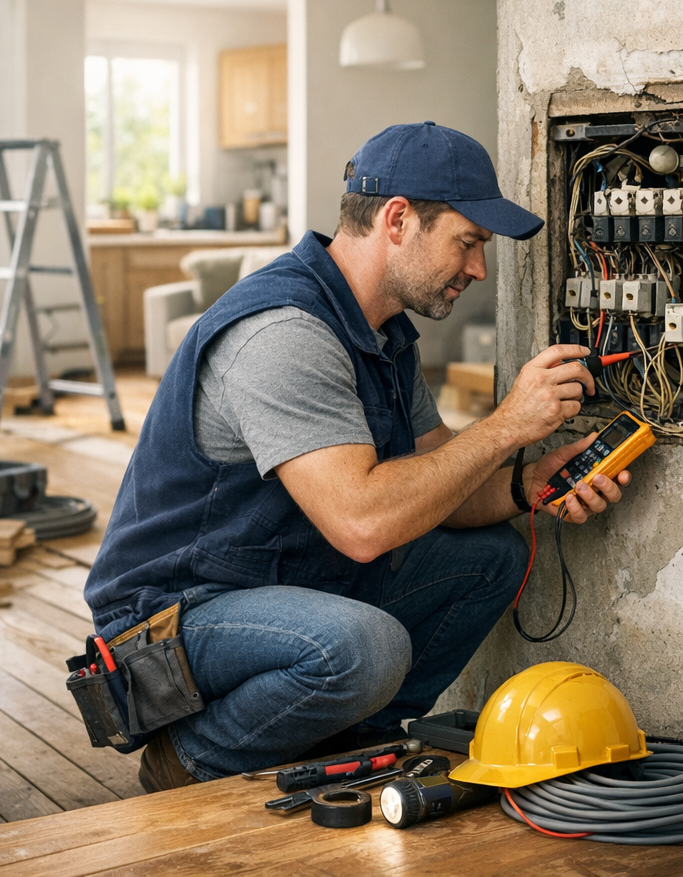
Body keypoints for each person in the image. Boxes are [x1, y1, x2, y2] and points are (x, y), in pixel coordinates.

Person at [83, 122, 631, 793]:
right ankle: (195, 758)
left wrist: (528, 484)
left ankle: (346, 746)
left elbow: (441, 490)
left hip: (284, 585)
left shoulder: (382, 333)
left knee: (492, 556)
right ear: (399, 220)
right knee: (363, 646)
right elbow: (363, 525)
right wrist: (507, 426)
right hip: (172, 620)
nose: (479, 270)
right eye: (468, 242)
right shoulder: (284, 332)